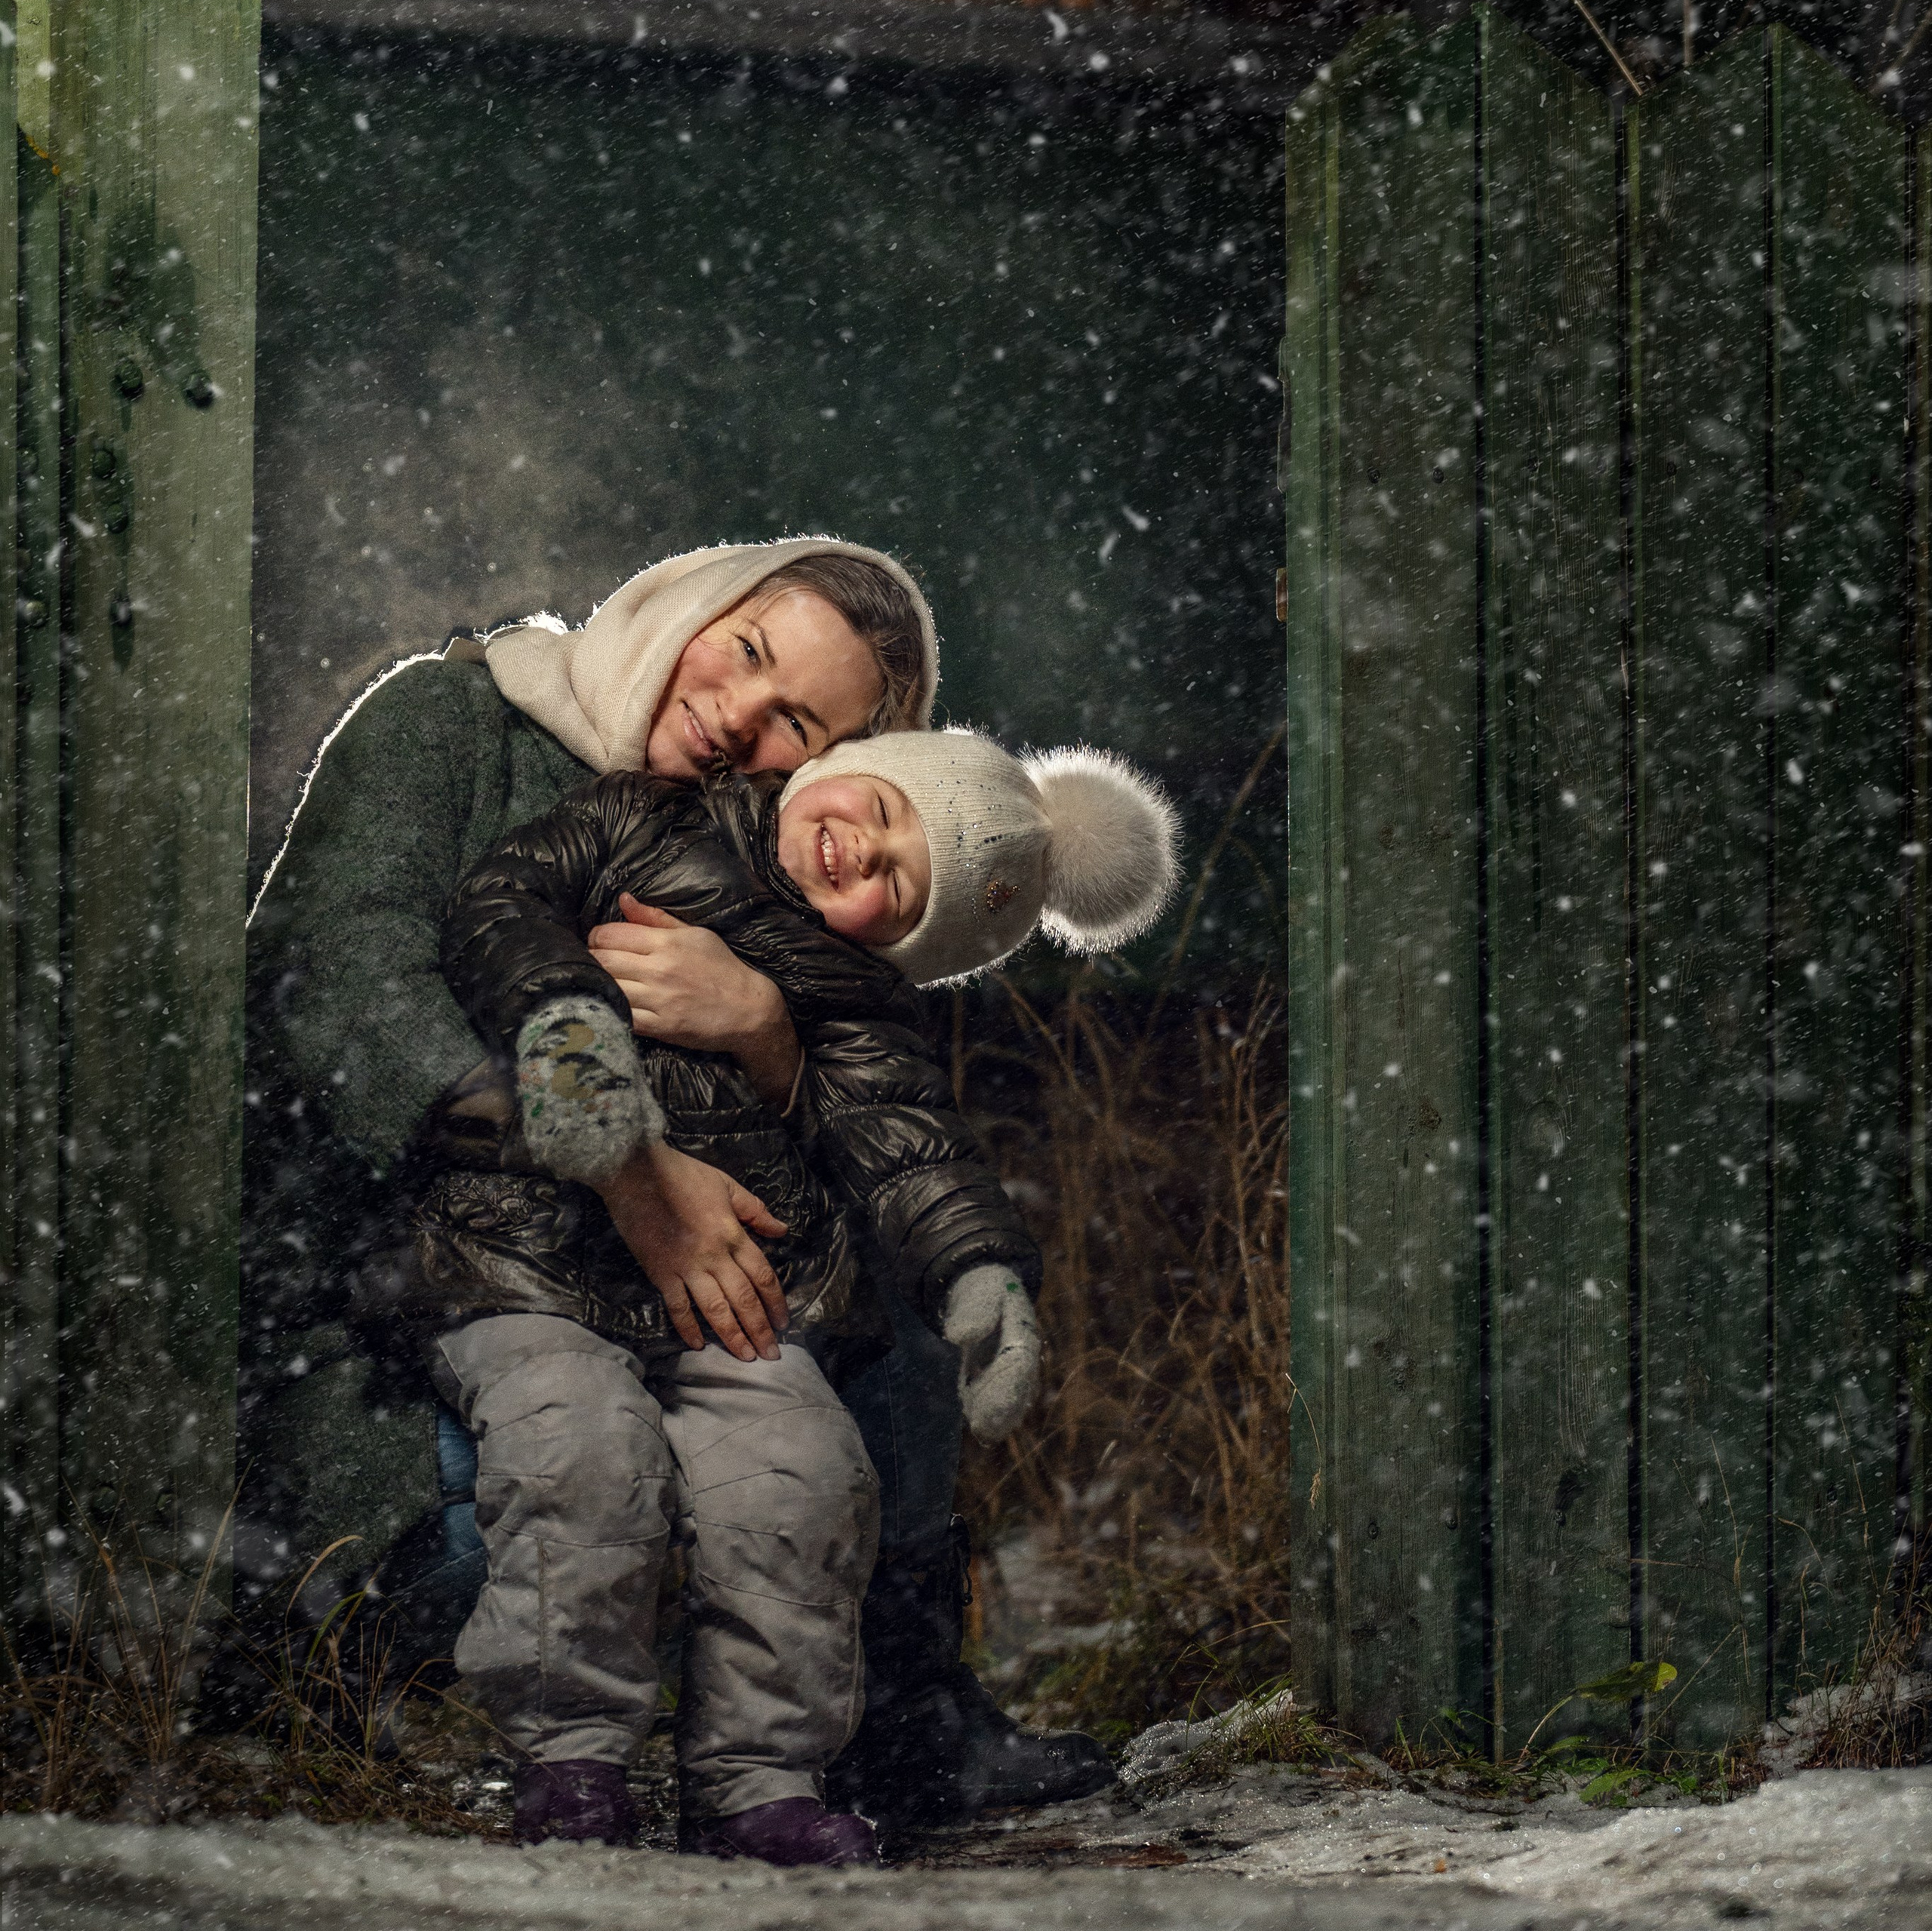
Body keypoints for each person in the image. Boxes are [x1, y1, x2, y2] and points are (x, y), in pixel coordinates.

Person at [241, 538, 1112, 1829]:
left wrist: (767, 1037)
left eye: (796, 726)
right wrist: (630, 1177)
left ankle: (890, 1712)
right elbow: (344, 978)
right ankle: (430, 1697)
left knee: (883, 1251)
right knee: (581, 1476)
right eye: (749, 652)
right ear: (700, 600)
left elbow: (886, 1121)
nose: (737, 717)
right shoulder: (455, 726)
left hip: (686, 1338)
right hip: (423, 1305)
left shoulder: (788, 874)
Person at [413, 729, 1175, 1855]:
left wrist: (980, 1276)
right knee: (579, 1451)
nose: (860, 854)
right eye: (885, 809)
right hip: (533, 1253)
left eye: (898, 885)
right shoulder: (644, 820)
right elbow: (503, 902)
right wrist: (564, 1018)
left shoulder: (859, 1011)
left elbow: (911, 1150)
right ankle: (570, 1766)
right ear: (854, 763)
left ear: (911, 945)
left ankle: (760, 1783)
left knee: (803, 1478)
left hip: (739, 1295)